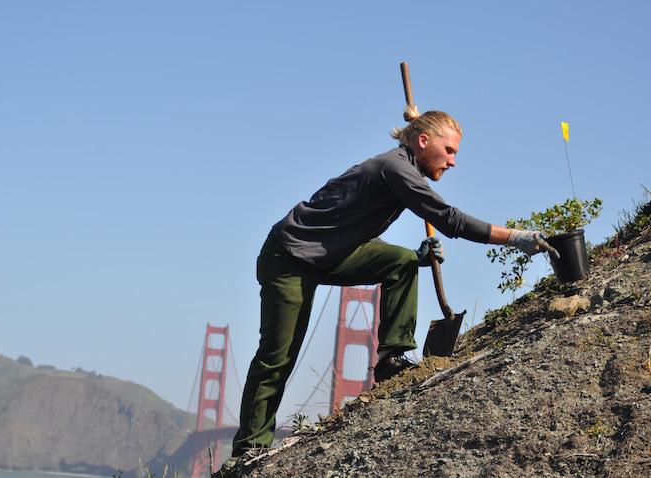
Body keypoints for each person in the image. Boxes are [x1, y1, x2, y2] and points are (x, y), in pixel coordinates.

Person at [230, 108, 558, 458]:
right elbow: (449, 220)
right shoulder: (396, 168)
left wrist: (418, 256)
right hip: (290, 256)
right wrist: (515, 238)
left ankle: (390, 357)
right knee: (278, 357)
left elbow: (356, 230)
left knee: (402, 261)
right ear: (422, 142)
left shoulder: (407, 163)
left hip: (332, 252)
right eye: (450, 151)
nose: (453, 162)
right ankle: (249, 447)